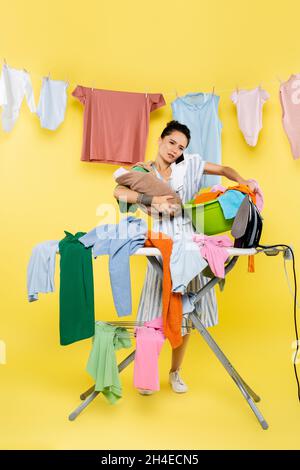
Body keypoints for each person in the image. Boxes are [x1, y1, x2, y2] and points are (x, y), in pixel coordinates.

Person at [113, 120, 257, 395]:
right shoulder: (143, 171)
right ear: (160, 140)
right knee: (152, 311)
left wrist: (243, 182)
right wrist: (151, 201)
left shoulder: (189, 165)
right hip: (161, 243)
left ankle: (175, 372)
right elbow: (118, 192)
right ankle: (147, 373)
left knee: (187, 312)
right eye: (172, 143)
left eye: (181, 147)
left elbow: (224, 169)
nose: (175, 150)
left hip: (190, 241)